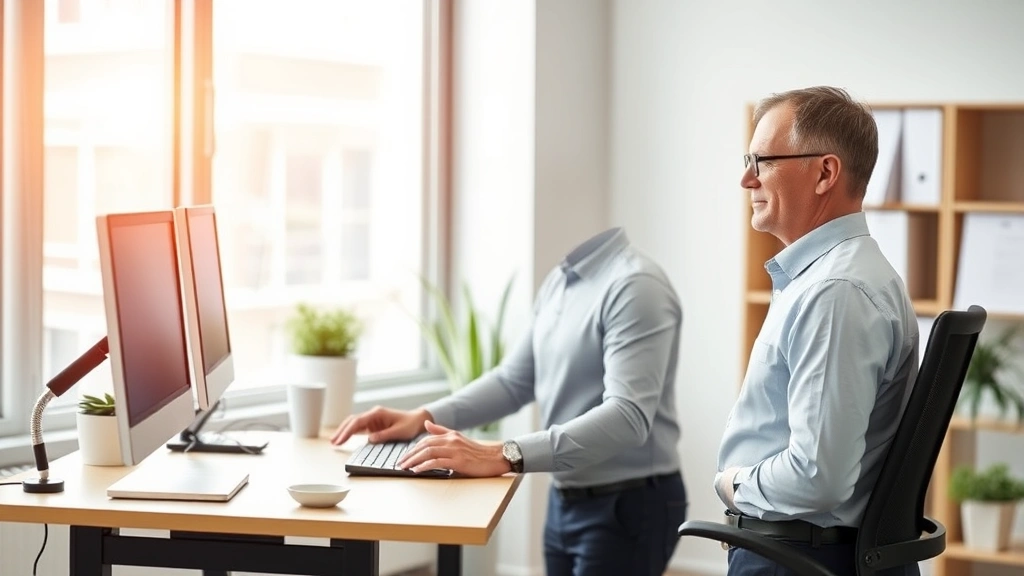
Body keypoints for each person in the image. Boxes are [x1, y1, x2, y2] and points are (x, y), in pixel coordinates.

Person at [331, 227, 687, 576]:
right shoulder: (561, 281)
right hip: (565, 497)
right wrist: (423, 415)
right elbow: (515, 380)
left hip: (631, 504)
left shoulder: (636, 287)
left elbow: (628, 417)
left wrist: (503, 454)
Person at [715, 86, 920, 576]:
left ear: (826, 172)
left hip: (799, 560)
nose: (747, 179)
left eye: (762, 161)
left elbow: (817, 476)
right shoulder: (828, 279)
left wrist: (732, 483)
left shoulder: (836, 292)